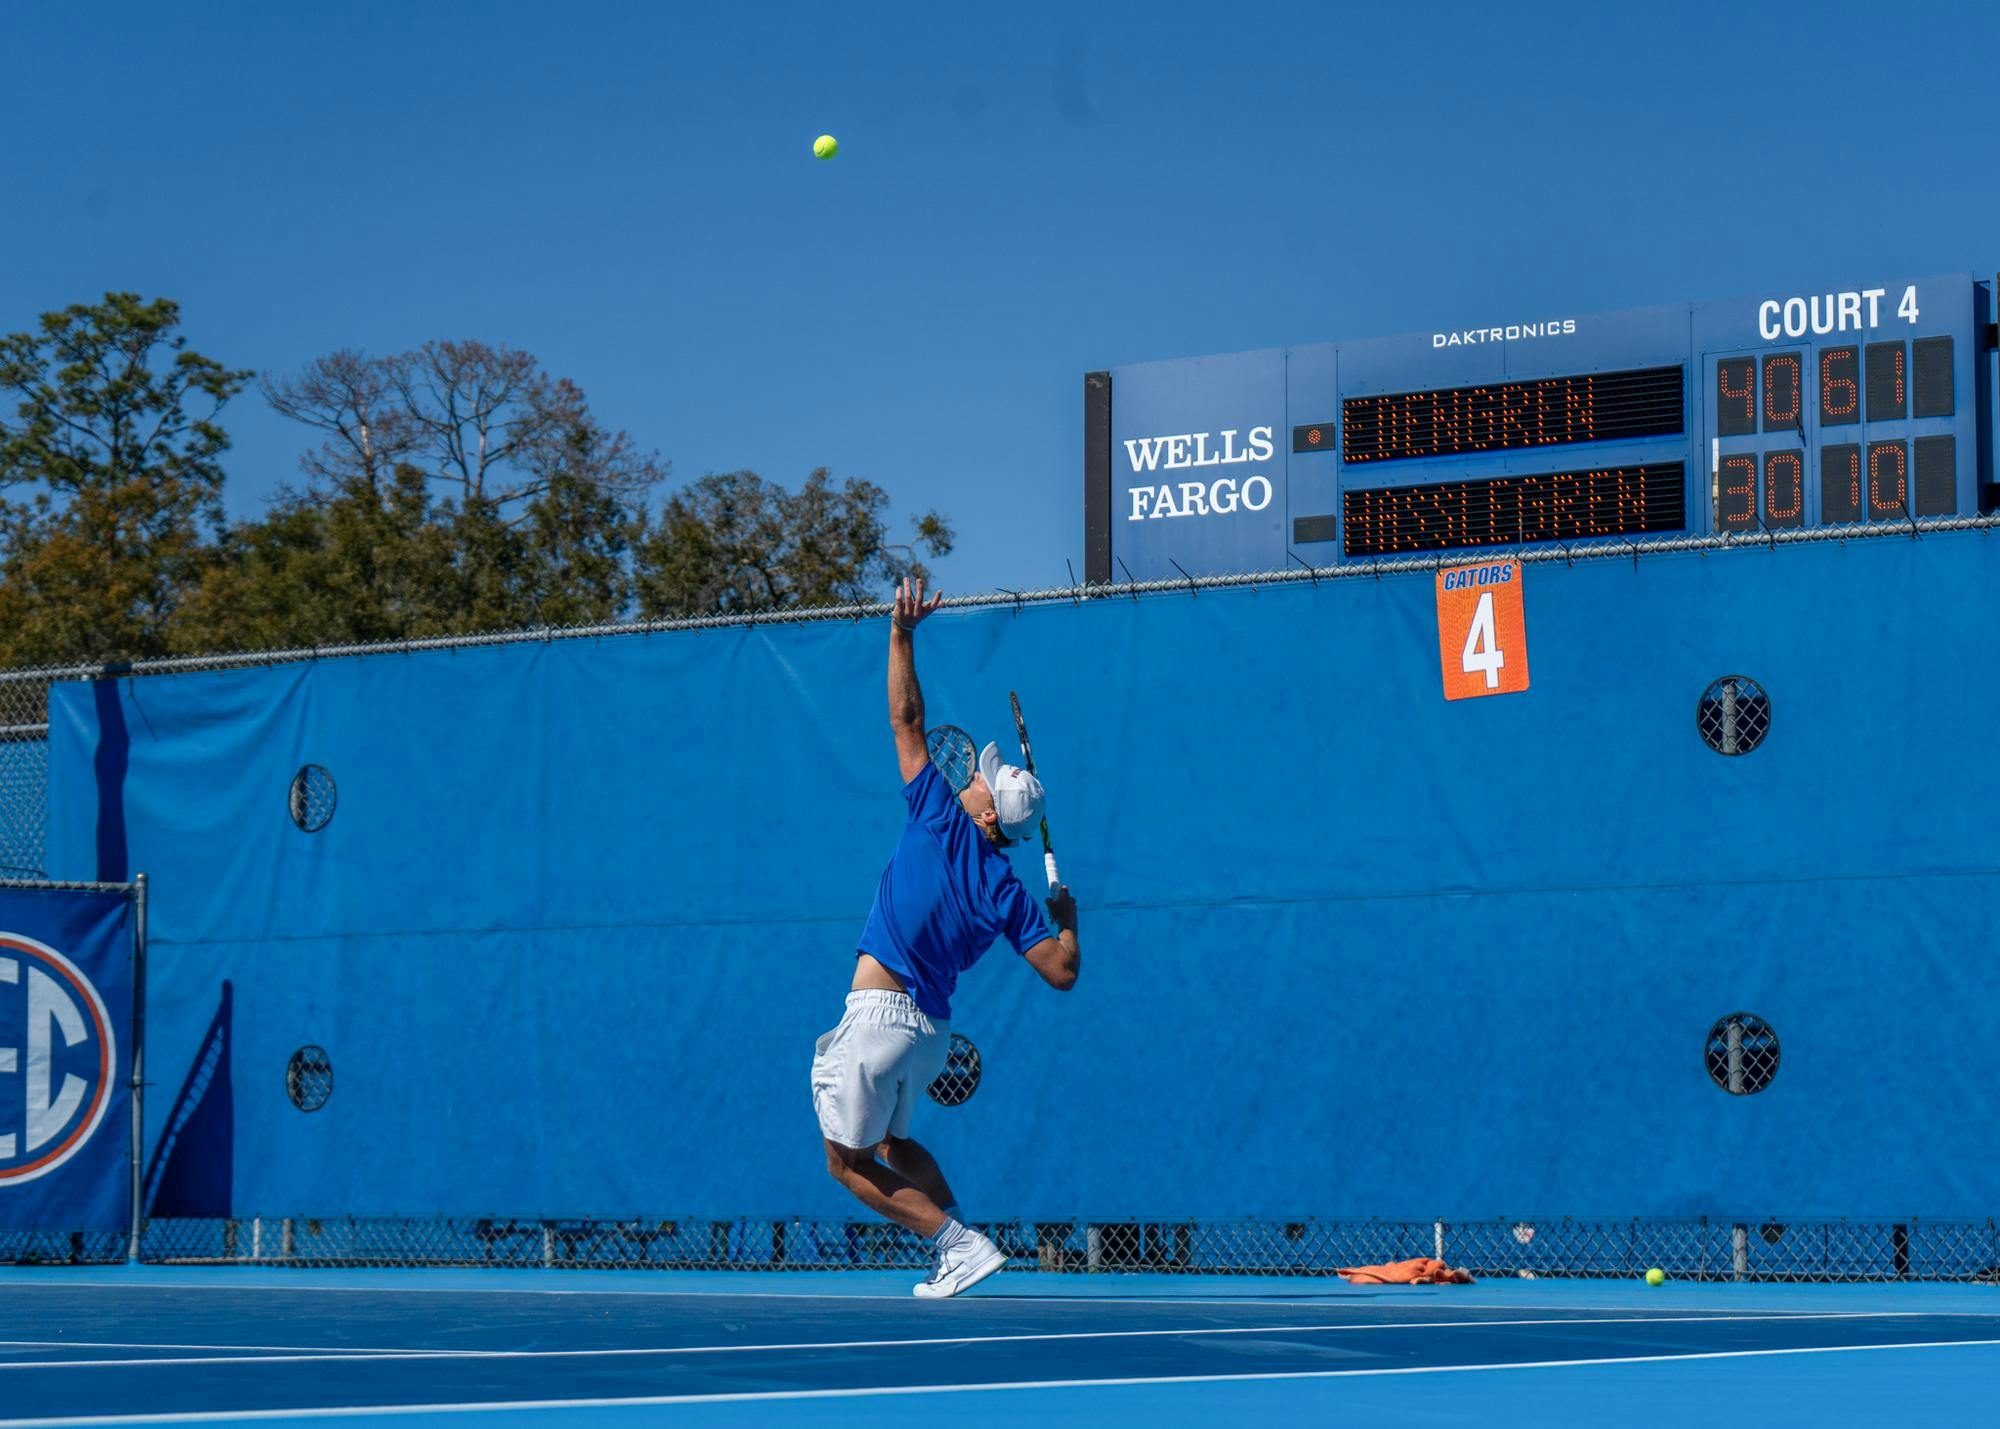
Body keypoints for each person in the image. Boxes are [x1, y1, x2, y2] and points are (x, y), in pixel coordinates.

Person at [811, 576, 1081, 1298]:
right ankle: (956, 1240)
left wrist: (901, 632)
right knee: (895, 1144)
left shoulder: (940, 814)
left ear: (990, 816)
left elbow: (906, 717)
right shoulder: (1007, 891)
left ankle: (957, 1244)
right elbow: (1061, 972)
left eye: (984, 783)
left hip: (879, 1020)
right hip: (928, 1032)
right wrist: (1070, 923)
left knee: (847, 1164)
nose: (971, 777)